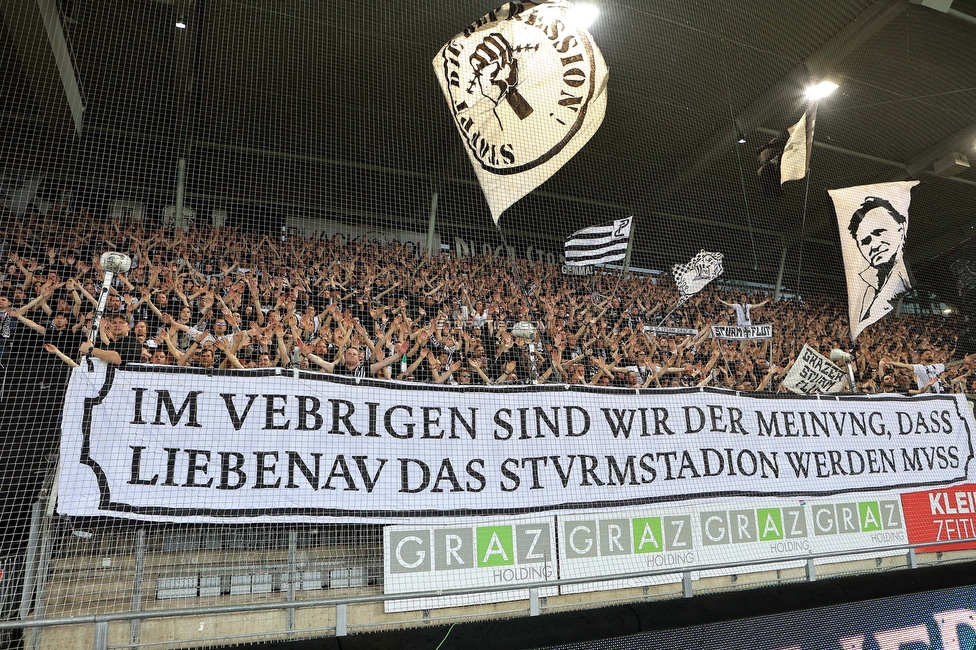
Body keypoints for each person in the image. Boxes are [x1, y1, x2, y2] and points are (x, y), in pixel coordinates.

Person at [846, 196, 910, 327]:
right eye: (865, 242)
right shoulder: (864, 289)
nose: (874, 245)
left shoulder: (903, 279)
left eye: (878, 232)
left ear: (901, 229)